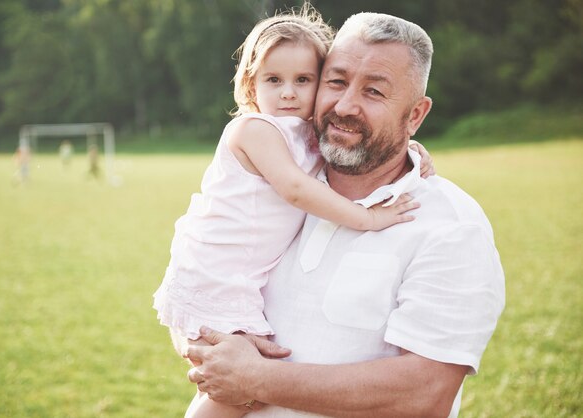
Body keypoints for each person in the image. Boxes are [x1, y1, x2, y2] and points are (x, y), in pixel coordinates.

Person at [183, 12, 506, 418]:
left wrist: (257, 379)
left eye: (374, 92)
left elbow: (425, 393)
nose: (346, 105)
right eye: (335, 81)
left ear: (415, 116)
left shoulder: (450, 227)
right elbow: (206, 293)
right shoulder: (277, 189)